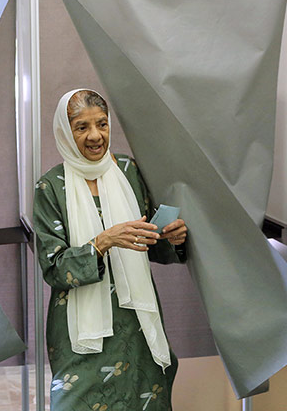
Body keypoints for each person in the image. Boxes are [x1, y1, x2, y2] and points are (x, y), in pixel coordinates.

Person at [33, 89, 187, 411]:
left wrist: (172, 239)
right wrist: (102, 242)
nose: (95, 136)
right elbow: (54, 268)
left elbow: (150, 245)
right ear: (65, 130)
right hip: (80, 333)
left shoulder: (129, 171)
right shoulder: (50, 187)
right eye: (81, 127)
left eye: (102, 125)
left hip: (137, 321)